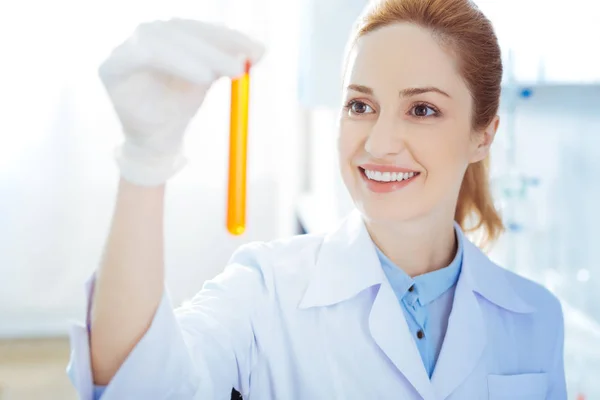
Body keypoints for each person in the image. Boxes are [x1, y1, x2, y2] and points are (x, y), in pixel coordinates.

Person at [66, 0, 567, 399]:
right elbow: (141, 386)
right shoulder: (266, 288)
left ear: (483, 134)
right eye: (360, 105)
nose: (378, 142)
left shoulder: (534, 317)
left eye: (422, 108)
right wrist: (144, 162)